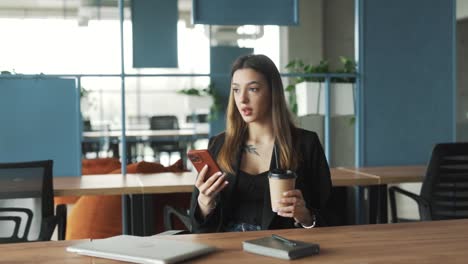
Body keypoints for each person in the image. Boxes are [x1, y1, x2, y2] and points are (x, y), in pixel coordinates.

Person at [189, 54, 332, 233]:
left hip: (282, 250)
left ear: (273, 92)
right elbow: (196, 227)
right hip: (227, 250)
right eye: (236, 90)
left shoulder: (305, 144)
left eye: (253, 89)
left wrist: (305, 217)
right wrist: (204, 203)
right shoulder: (218, 145)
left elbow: (330, 215)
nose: (242, 99)